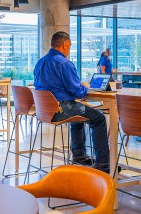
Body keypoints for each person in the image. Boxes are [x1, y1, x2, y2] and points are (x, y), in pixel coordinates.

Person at [33, 31, 110, 172]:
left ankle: (79, 155)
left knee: (79, 113)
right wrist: (85, 88)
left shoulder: (40, 62)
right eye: (70, 46)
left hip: (44, 110)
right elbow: (77, 92)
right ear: (65, 45)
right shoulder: (64, 63)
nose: (69, 49)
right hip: (62, 109)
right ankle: (103, 164)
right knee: (99, 118)